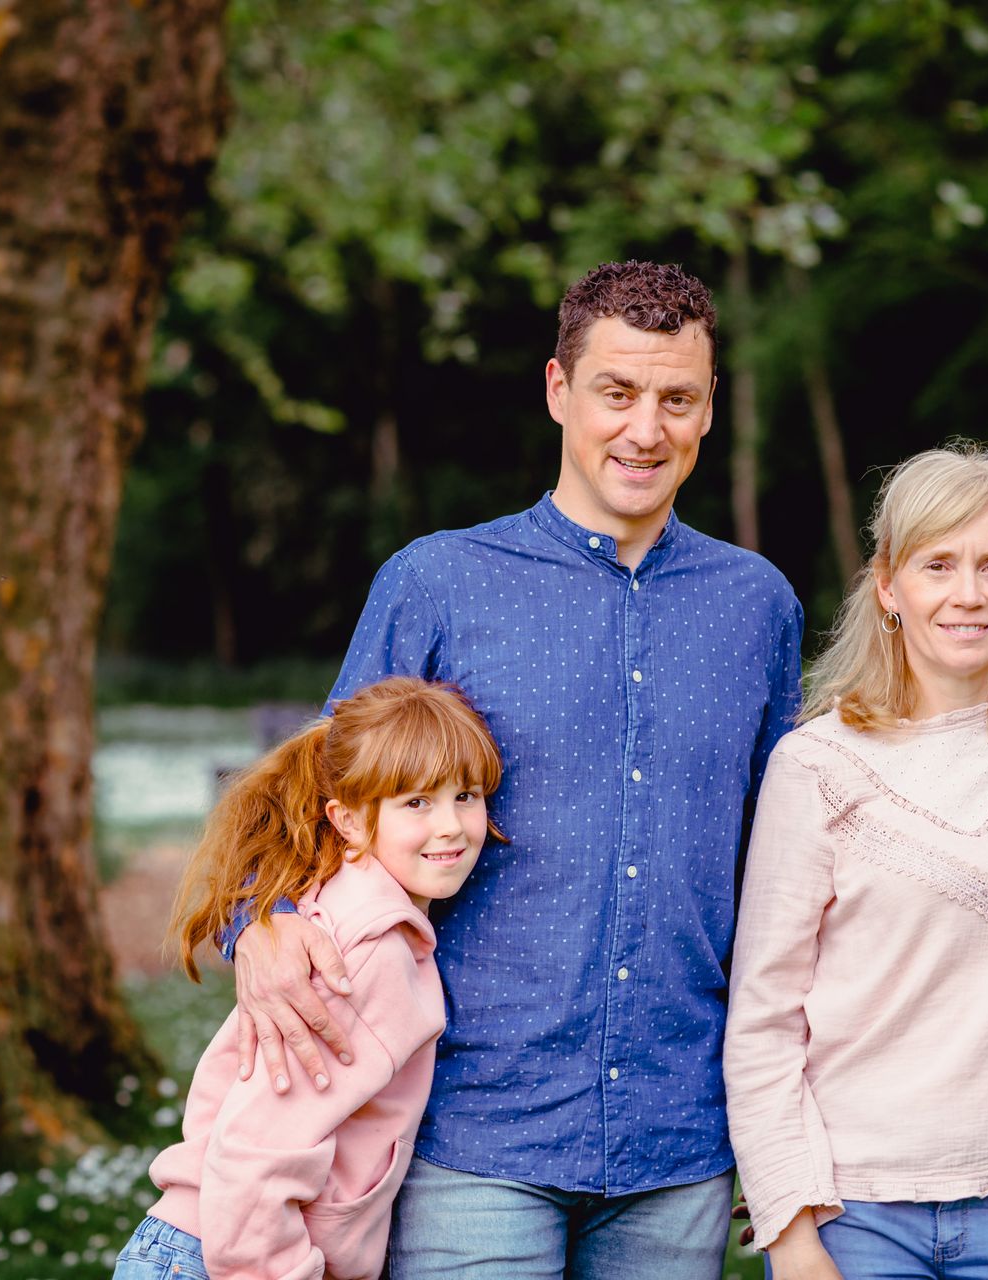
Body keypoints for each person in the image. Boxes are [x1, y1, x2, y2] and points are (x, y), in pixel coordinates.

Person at [222, 261, 804, 1278]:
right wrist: (260, 924)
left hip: (681, 1142)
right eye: (617, 392)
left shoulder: (758, 605)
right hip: (473, 1133)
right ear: (557, 389)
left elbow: (787, 868)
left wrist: (788, 1121)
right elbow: (311, 799)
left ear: (710, 408)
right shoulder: (438, 582)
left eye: (677, 398)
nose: (646, 428)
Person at [724, 444, 988, 1279]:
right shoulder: (818, 766)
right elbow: (763, 1021)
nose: (969, 593)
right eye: (938, 565)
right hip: (857, 1212)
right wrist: (790, 1233)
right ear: (889, 587)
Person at [114, 677, 503, 1280]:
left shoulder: (344, 901)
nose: (451, 825)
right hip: (227, 1258)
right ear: (346, 820)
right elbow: (259, 1156)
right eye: (416, 803)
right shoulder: (366, 951)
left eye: (467, 795)